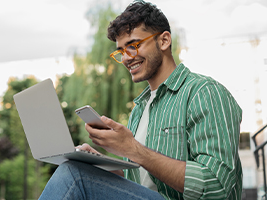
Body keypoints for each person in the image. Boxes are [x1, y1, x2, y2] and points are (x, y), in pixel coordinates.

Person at [39, 0, 243, 199]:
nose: (126, 57)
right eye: (121, 51)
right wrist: (101, 164)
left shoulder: (203, 92)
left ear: (164, 40)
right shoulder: (140, 109)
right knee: (75, 167)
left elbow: (217, 186)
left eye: (133, 45)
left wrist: (133, 149)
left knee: (73, 176)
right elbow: (140, 185)